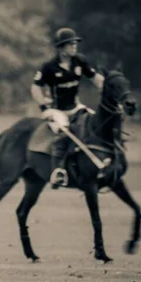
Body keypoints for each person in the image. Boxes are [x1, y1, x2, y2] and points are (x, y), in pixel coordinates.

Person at [31, 27, 105, 188]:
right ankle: (58, 172)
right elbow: (35, 87)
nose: (74, 46)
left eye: (75, 44)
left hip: (75, 107)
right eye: (70, 44)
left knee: (97, 123)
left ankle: (102, 160)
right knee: (64, 133)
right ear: (61, 48)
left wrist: (107, 86)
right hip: (57, 110)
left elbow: (95, 78)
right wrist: (43, 106)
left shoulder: (80, 61)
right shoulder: (49, 67)